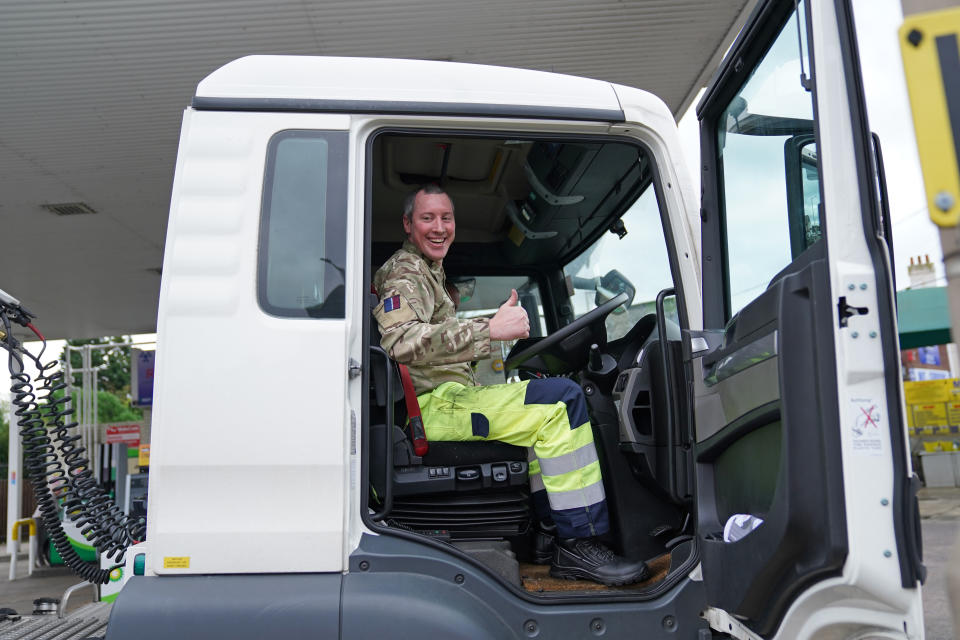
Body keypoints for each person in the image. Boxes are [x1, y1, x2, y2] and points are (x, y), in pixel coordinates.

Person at [373, 184, 650, 587]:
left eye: (446, 218)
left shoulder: (429, 272)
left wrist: (494, 329)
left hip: (447, 400)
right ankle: (579, 543)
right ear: (408, 224)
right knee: (561, 403)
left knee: (543, 416)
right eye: (427, 218)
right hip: (431, 409)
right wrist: (490, 330)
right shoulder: (406, 270)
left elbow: (433, 338)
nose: (438, 227)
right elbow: (400, 342)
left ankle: (546, 536)